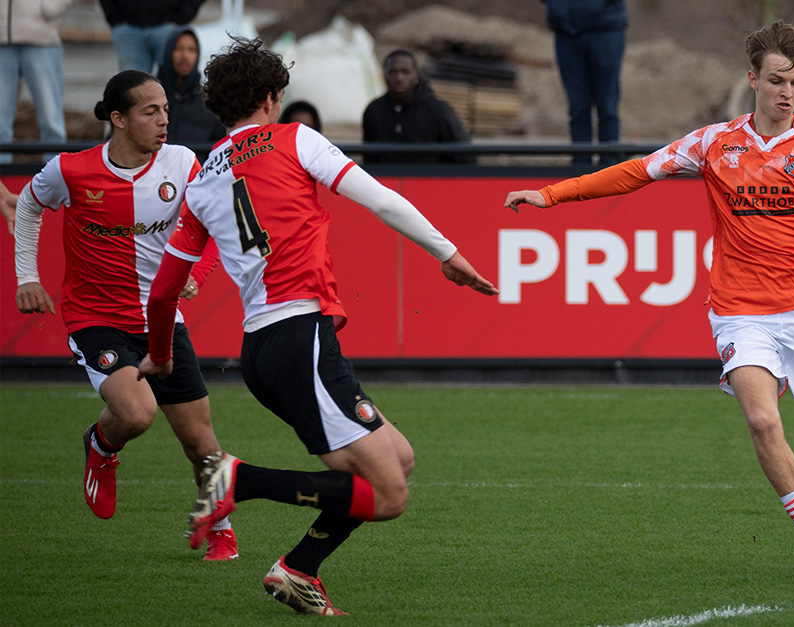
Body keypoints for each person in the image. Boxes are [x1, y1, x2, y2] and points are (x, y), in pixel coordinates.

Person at [504, 21, 794, 576]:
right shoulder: (714, 143)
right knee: (760, 418)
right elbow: (636, 172)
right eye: (777, 80)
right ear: (752, 79)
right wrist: (552, 195)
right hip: (740, 310)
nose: (787, 92)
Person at [138, 37, 498, 615]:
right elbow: (379, 198)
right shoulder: (293, 138)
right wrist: (447, 253)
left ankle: (298, 569)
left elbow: (163, 289)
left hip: (262, 348)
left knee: (397, 459)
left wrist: (160, 352)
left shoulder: (203, 180)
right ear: (271, 97)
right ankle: (239, 480)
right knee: (389, 495)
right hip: (298, 338)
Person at [11, 70, 237, 560]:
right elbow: (28, 205)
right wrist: (26, 276)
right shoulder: (70, 170)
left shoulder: (182, 163)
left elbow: (215, 223)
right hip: (96, 317)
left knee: (201, 441)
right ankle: (101, 445)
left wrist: (202, 272)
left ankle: (219, 526)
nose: (164, 120)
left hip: (162, 318)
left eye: (166, 110)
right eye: (150, 111)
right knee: (137, 413)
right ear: (118, 118)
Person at [544, 0, 626, 165]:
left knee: (607, 106)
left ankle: (609, 165)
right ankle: (580, 165)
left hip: (606, 30)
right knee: (577, 107)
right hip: (566, 33)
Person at [361, 49, 473, 164]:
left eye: (406, 72)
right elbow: (370, 159)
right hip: (385, 180)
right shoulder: (374, 111)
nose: (399, 78)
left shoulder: (439, 112)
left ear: (416, 76)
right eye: (393, 72)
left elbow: (465, 157)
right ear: (384, 75)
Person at [0, 0, 71, 164]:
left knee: (51, 117)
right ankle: (2, 178)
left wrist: (50, 7)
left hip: (41, 42)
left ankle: (56, 175)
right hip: (2, 42)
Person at [157, 26, 224, 145]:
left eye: (191, 50)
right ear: (168, 52)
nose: (185, 56)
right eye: (178, 48)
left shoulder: (209, 103)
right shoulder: (150, 96)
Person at [99, 0, 205, 73]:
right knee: (132, 88)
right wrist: (113, 18)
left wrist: (184, 15)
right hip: (128, 27)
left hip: (169, 27)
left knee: (175, 83)